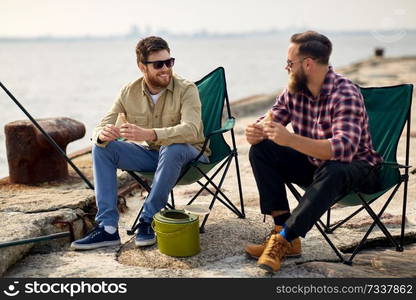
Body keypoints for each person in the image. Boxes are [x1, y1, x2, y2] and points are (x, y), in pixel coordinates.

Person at [244, 31, 382, 272]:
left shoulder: (345, 93)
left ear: (307, 64)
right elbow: (271, 118)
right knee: (262, 149)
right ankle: (284, 232)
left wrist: (290, 139)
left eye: (289, 63)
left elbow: (344, 148)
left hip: (358, 170)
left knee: (335, 168)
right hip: (316, 166)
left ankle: (283, 239)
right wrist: (256, 131)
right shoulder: (293, 91)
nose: (285, 67)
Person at [71, 36, 210, 250]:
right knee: (102, 148)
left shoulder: (186, 89)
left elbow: (191, 130)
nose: (166, 69)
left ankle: (148, 219)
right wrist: (103, 134)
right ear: (141, 67)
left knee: (173, 147)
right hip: (157, 157)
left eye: (169, 62)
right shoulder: (129, 92)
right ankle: (107, 228)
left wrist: (149, 133)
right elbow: (103, 123)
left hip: (191, 156)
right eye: (158, 64)